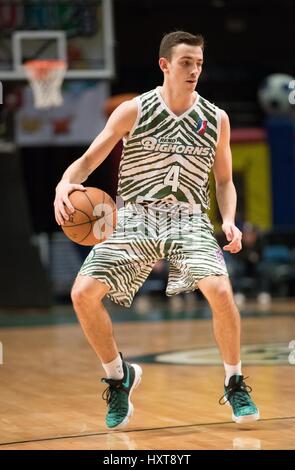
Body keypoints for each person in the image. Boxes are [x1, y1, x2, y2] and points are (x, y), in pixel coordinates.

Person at [54, 31, 259, 429]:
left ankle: (235, 381)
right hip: (136, 217)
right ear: (164, 64)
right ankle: (118, 376)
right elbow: (87, 160)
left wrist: (229, 219)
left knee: (220, 290)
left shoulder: (216, 118)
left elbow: (224, 181)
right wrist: (65, 183)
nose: (194, 70)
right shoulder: (134, 110)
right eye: (186, 62)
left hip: (189, 218)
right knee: (82, 294)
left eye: (199, 63)